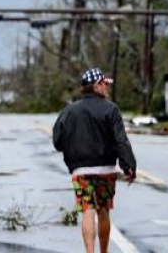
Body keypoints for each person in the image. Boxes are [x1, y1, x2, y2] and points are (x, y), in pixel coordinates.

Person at [52, 68, 137, 253]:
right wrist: (129, 166)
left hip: (81, 171)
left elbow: (57, 141)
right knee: (104, 211)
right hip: (105, 170)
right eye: (105, 84)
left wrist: (71, 147)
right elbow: (120, 140)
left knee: (88, 211)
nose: (107, 87)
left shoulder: (69, 110)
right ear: (97, 85)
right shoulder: (111, 109)